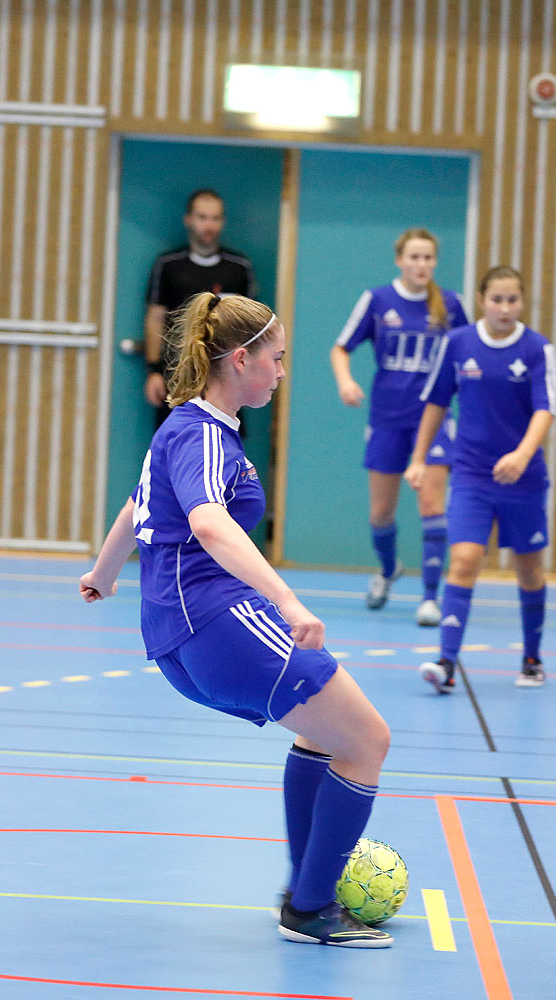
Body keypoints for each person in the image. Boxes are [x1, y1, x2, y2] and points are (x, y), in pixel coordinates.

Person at [80, 292, 393, 947]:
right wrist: (289, 600)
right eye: (276, 360)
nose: (282, 373)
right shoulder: (203, 432)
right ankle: (309, 908)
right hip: (214, 624)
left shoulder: (188, 424)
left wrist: (105, 572)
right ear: (242, 359)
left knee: (324, 734)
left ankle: (307, 894)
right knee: (367, 741)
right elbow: (206, 521)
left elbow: (141, 500)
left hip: (178, 635)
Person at [406, 266, 556, 692]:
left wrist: (522, 454)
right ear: (481, 301)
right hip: (472, 474)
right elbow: (436, 404)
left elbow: (545, 409)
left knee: (529, 571)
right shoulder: (458, 345)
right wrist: (419, 458)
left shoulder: (536, 349)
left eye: (513, 300)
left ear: (522, 302)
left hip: (523, 480)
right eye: (497, 299)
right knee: (466, 559)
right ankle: (446, 661)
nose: (505, 308)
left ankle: (531, 657)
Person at [331, 228, 469, 626]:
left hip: (435, 419)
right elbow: (341, 347)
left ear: (435, 262)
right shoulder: (377, 301)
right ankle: (389, 569)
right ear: (399, 260)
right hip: (387, 418)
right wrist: (346, 380)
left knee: (430, 503)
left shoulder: (451, 305)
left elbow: (471, 349)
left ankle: (429, 598)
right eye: (414, 257)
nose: (421, 265)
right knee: (381, 513)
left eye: (428, 258)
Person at [143, 189, 257, 428]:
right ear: (189, 220)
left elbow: (251, 325)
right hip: (178, 373)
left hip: (224, 375)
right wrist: (153, 370)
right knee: (176, 440)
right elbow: (155, 319)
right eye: (202, 217)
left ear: (222, 222)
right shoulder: (168, 265)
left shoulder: (239, 267)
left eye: (215, 218)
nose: (209, 225)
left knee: (224, 439)